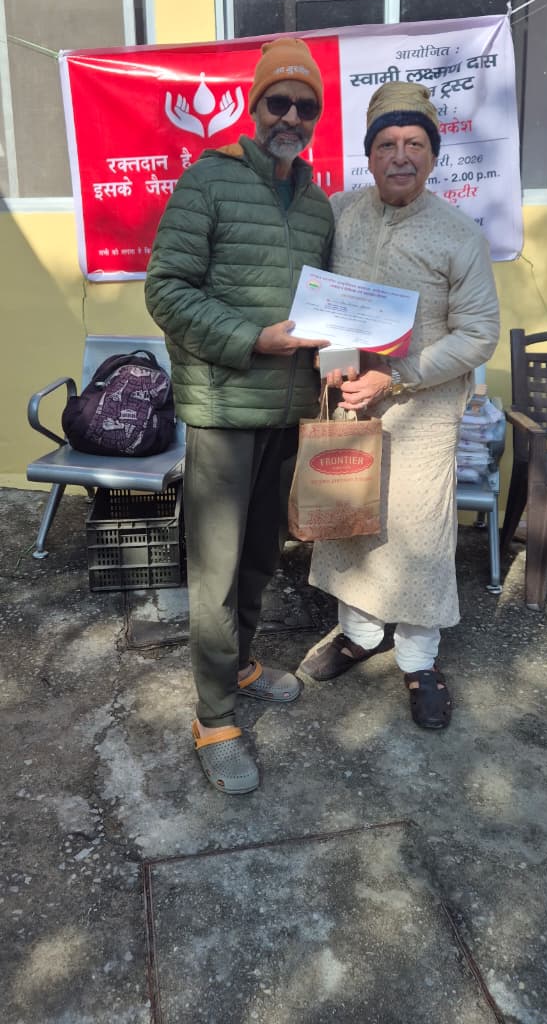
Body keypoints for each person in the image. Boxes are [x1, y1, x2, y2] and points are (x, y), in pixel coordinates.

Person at [145, 38, 333, 794]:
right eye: (278, 102)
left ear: (315, 118)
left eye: (305, 107)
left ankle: (242, 663)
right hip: (224, 409)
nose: (291, 116)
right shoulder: (209, 180)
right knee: (216, 572)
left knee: (260, 556)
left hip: (287, 411)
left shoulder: (316, 202)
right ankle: (213, 715)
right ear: (255, 108)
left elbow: (328, 305)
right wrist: (253, 339)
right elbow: (166, 290)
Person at [300, 81, 500, 730]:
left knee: (416, 535)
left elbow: (478, 334)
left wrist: (400, 375)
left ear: (433, 155)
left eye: (414, 143)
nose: (400, 156)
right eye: (386, 144)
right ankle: (359, 633)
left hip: (422, 415)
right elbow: (316, 294)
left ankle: (418, 658)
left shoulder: (456, 235)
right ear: (369, 155)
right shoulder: (339, 213)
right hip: (348, 403)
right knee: (349, 523)